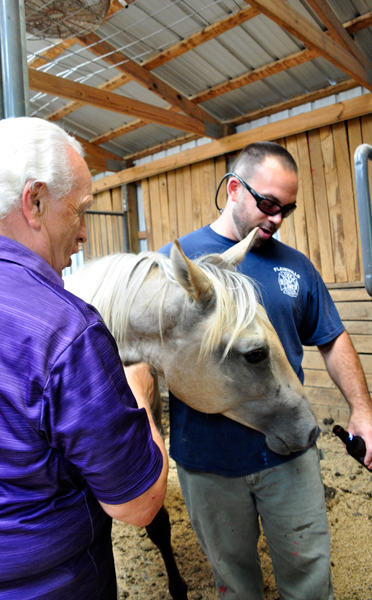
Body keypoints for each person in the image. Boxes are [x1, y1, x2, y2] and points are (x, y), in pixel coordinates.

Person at [159, 141, 372, 600]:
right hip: (208, 460)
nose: (276, 219)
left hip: (290, 451)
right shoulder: (177, 263)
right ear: (235, 188)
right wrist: (146, 428)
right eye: (268, 204)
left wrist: (363, 411)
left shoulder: (295, 267)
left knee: (310, 576)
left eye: (287, 210)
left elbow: (332, 337)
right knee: (234, 584)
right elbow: (145, 353)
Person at [0, 117, 168, 600]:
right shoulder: (64, 329)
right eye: (80, 211)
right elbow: (137, 505)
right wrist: (142, 399)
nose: (83, 235)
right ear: (34, 202)